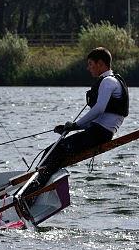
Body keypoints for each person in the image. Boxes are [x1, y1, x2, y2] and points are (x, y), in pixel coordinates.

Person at [35, 47, 129, 186]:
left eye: (91, 64)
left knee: (56, 151)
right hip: (97, 132)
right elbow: (98, 118)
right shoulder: (107, 81)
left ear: (101, 64)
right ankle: (37, 185)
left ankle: (34, 190)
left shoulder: (108, 81)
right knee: (51, 151)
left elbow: (99, 109)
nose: (88, 68)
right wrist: (70, 128)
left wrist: (76, 125)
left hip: (100, 134)